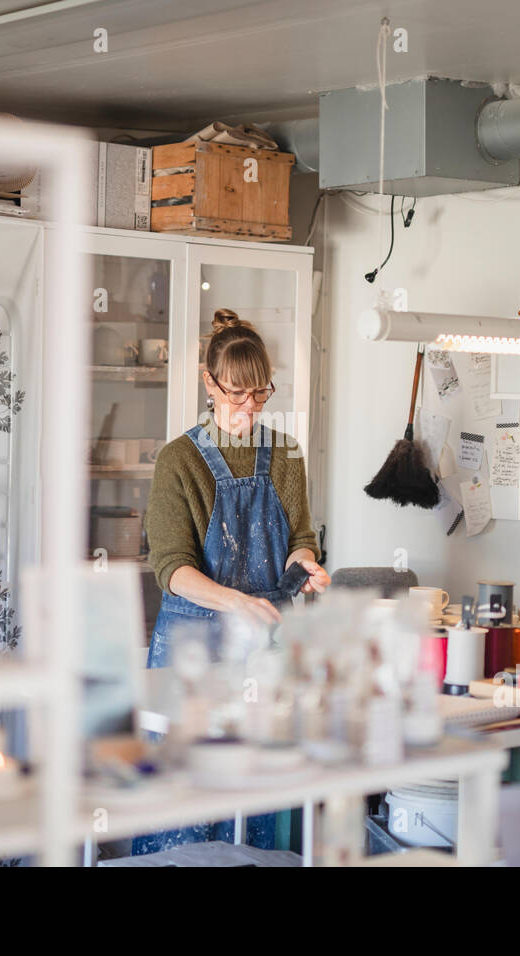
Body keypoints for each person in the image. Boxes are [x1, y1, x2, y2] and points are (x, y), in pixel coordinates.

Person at [132, 308, 329, 856]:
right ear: (209, 382)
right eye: (237, 394)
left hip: (262, 649)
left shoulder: (285, 454)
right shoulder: (179, 460)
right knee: (186, 809)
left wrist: (305, 565)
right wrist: (236, 601)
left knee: (257, 798)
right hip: (192, 649)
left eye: (260, 395)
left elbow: (301, 535)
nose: (249, 408)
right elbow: (172, 570)